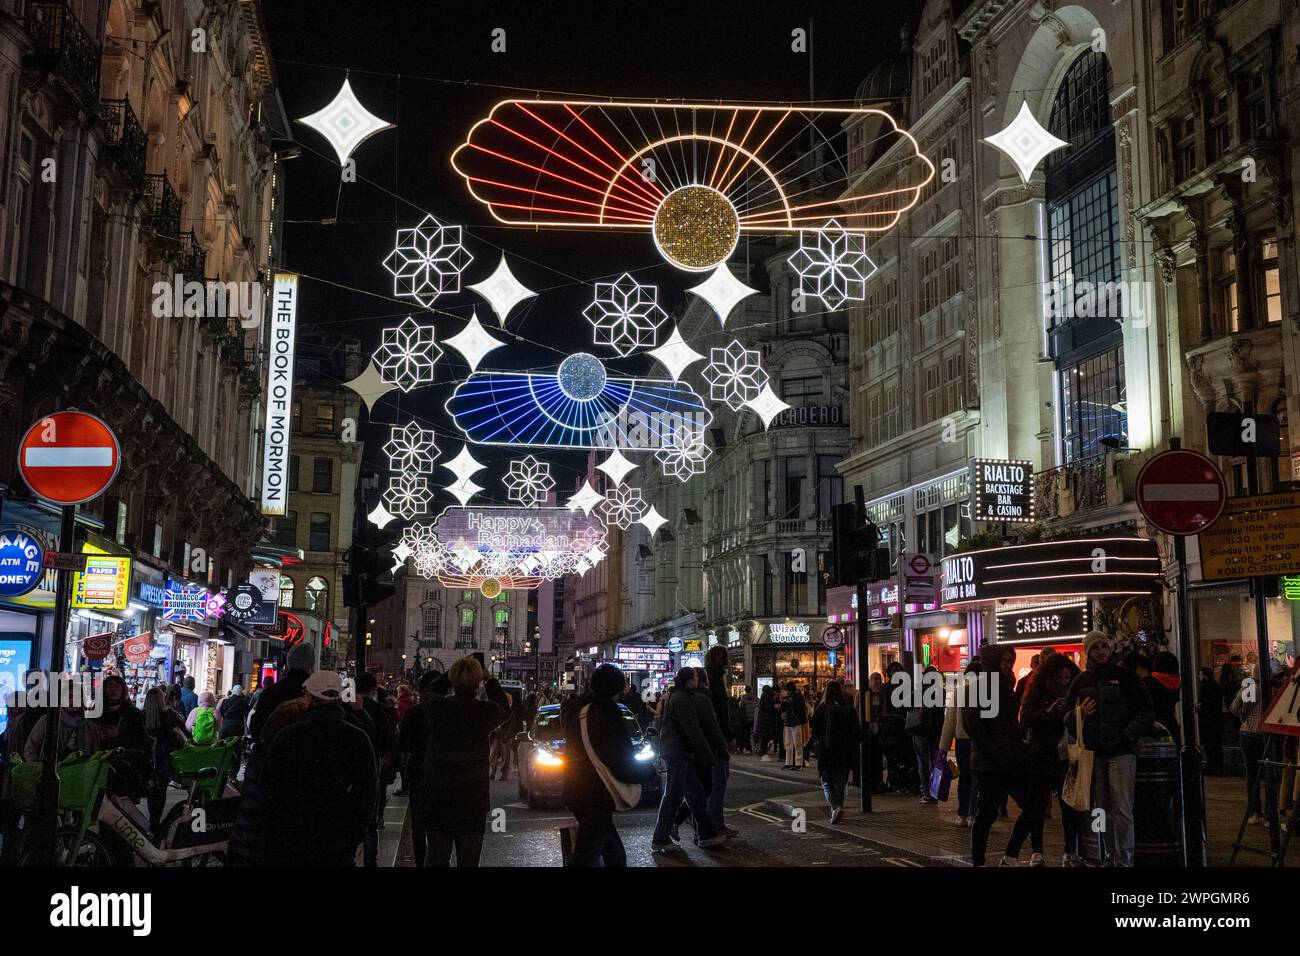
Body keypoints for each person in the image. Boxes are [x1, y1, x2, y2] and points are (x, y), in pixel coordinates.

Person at [259, 671, 377, 866]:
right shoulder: (357, 738)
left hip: (292, 837)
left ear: (309, 697)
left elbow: (269, 789)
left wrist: (275, 832)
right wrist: (353, 834)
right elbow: (366, 792)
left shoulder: (288, 736)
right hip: (337, 836)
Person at [1061, 630, 1154, 866]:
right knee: (1099, 809)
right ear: (1088, 652)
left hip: (1121, 753)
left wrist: (1128, 734)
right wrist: (1078, 714)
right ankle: (1107, 856)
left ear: (1110, 649)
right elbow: (1066, 717)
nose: (1101, 651)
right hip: (1093, 754)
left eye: (1104, 646)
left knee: (1122, 808)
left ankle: (1125, 859)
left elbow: (1146, 711)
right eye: (1095, 648)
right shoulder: (1081, 681)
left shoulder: (1126, 677)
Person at [413, 656, 507, 866]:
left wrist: (450, 675)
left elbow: (427, 692)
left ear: (453, 681)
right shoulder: (484, 711)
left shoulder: (438, 708)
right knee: (469, 861)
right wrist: (489, 679)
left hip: (438, 793)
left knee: (436, 858)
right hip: (472, 797)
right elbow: (504, 706)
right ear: (479, 682)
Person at [562, 663, 654, 866]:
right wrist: (649, 771)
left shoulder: (578, 711)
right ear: (617, 688)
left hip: (578, 790)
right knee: (587, 857)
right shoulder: (606, 716)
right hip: (595, 795)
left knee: (614, 855)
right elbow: (620, 760)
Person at [963, 644, 1030, 866]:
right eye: (1003, 661)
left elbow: (1012, 727)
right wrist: (997, 753)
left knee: (1033, 806)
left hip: (1009, 761)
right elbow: (975, 728)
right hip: (989, 763)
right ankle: (979, 860)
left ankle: (1010, 855)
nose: (1008, 665)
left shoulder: (1007, 688)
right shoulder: (978, 689)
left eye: (1010, 660)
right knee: (987, 814)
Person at [650, 667, 725, 851]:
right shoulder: (682, 699)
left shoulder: (677, 696)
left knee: (696, 794)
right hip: (678, 753)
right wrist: (708, 755)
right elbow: (692, 730)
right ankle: (660, 838)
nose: (697, 681)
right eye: (695, 678)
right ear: (689, 680)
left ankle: (707, 834)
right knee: (673, 796)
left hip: (680, 752)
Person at [1018, 653, 1082, 866]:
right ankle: (1037, 851)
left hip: (1066, 756)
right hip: (1041, 755)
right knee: (1037, 805)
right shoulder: (1037, 692)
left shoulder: (1075, 694)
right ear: (1049, 677)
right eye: (1059, 678)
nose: (1064, 682)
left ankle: (1070, 850)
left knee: (1069, 806)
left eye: (1067, 678)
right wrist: (1048, 712)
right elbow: (1026, 719)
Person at [399, 670, 449, 865]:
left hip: (419, 771)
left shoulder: (415, 712)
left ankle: (422, 861)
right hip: (445, 774)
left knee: (418, 825)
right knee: (441, 824)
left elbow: (403, 743)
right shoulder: (451, 713)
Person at [810, 681, 859, 823]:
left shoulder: (823, 706)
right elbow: (855, 728)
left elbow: (814, 726)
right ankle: (838, 808)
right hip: (845, 750)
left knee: (827, 780)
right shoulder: (848, 708)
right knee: (841, 781)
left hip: (828, 750)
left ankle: (836, 806)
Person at [247, 644, 315, 744]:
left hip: (273, 753)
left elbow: (256, 729)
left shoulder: (271, 692)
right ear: (311, 664)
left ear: (289, 662)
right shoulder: (314, 694)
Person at [142, 686, 188, 834]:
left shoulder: (143, 716)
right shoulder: (168, 714)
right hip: (163, 760)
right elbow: (183, 724)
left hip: (149, 759)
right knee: (161, 792)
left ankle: (152, 821)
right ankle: (155, 823)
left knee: (152, 790)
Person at [938, 660, 978, 826]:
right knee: (977, 779)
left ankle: (962, 814)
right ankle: (973, 815)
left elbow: (950, 720)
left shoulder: (959, 690)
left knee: (965, 778)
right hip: (978, 740)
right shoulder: (988, 691)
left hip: (962, 740)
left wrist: (943, 747)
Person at [703, 646, 734, 833]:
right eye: (727, 657)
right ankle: (716, 824)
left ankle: (710, 822)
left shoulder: (709, 678)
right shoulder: (716, 681)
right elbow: (721, 714)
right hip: (717, 738)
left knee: (712, 783)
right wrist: (728, 737)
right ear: (721, 659)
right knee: (719, 782)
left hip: (710, 738)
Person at [907, 665, 944, 803]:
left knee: (922, 761)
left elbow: (908, 706)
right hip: (935, 731)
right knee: (935, 762)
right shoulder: (941, 692)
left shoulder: (919, 692)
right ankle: (934, 792)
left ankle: (927, 792)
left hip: (920, 730)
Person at [1197, 668, 1224, 775]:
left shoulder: (1205, 687)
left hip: (1208, 721)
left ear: (1205, 676)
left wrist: (1200, 706)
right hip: (1216, 720)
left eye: (1200, 675)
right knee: (1216, 744)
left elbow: (1207, 703)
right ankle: (1218, 766)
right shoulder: (1216, 686)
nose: (1199, 677)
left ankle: (1212, 766)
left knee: (1209, 745)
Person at [779, 682, 808, 770]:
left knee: (796, 743)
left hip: (795, 721)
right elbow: (783, 709)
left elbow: (800, 708)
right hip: (789, 722)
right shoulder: (794, 696)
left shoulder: (798, 696)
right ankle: (789, 762)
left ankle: (798, 763)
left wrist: (790, 701)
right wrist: (783, 701)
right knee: (790, 743)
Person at [754, 685, 780, 760]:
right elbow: (765, 707)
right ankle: (764, 754)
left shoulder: (766, 696)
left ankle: (764, 752)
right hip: (765, 720)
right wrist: (774, 707)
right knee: (764, 737)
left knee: (765, 737)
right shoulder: (766, 696)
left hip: (765, 720)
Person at [737, 687, 755, 754]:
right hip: (754, 718)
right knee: (755, 733)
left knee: (746, 734)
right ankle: (757, 747)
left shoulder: (743, 697)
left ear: (745, 691)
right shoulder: (755, 697)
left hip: (747, 718)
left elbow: (741, 706)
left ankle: (748, 748)